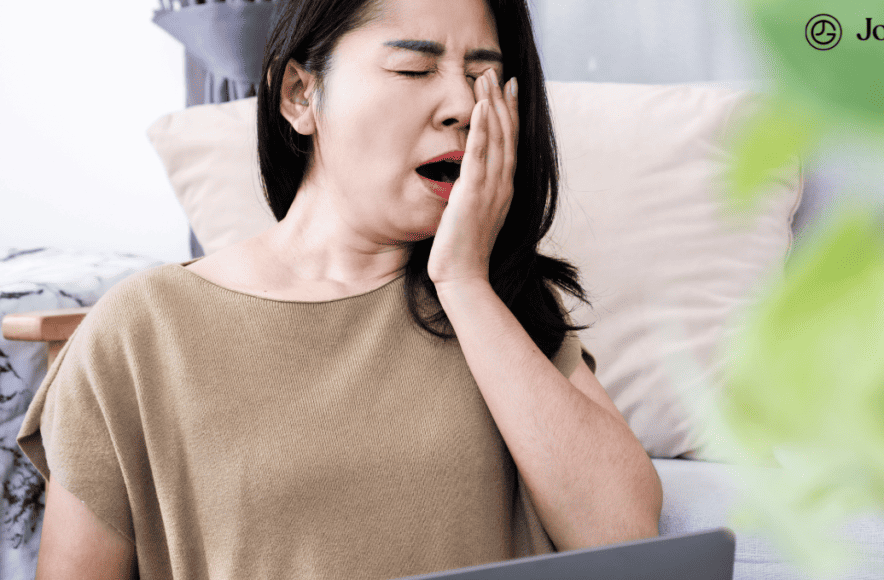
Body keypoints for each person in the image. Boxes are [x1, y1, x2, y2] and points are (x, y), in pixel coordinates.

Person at [18, 0, 662, 577]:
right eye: (414, 70)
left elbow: (625, 535)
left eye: (483, 77)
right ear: (300, 94)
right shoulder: (139, 331)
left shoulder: (500, 302)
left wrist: (463, 281)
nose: (463, 107)